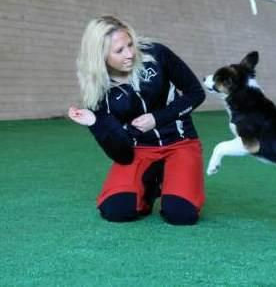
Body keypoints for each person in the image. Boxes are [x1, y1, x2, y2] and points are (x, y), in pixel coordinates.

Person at [68, 15, 206, 225]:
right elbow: (121, 154)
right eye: (119, 51)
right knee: (115, 210)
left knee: (181, 214)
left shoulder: (156, 54)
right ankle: (150, 184)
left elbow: (196, 93)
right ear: (100, 56)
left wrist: (157, 118)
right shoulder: (98, 92)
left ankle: (171, 175)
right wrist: (95, 124)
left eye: (130, 44)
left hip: (180, 142)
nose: (130, 54)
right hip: (138, 149)